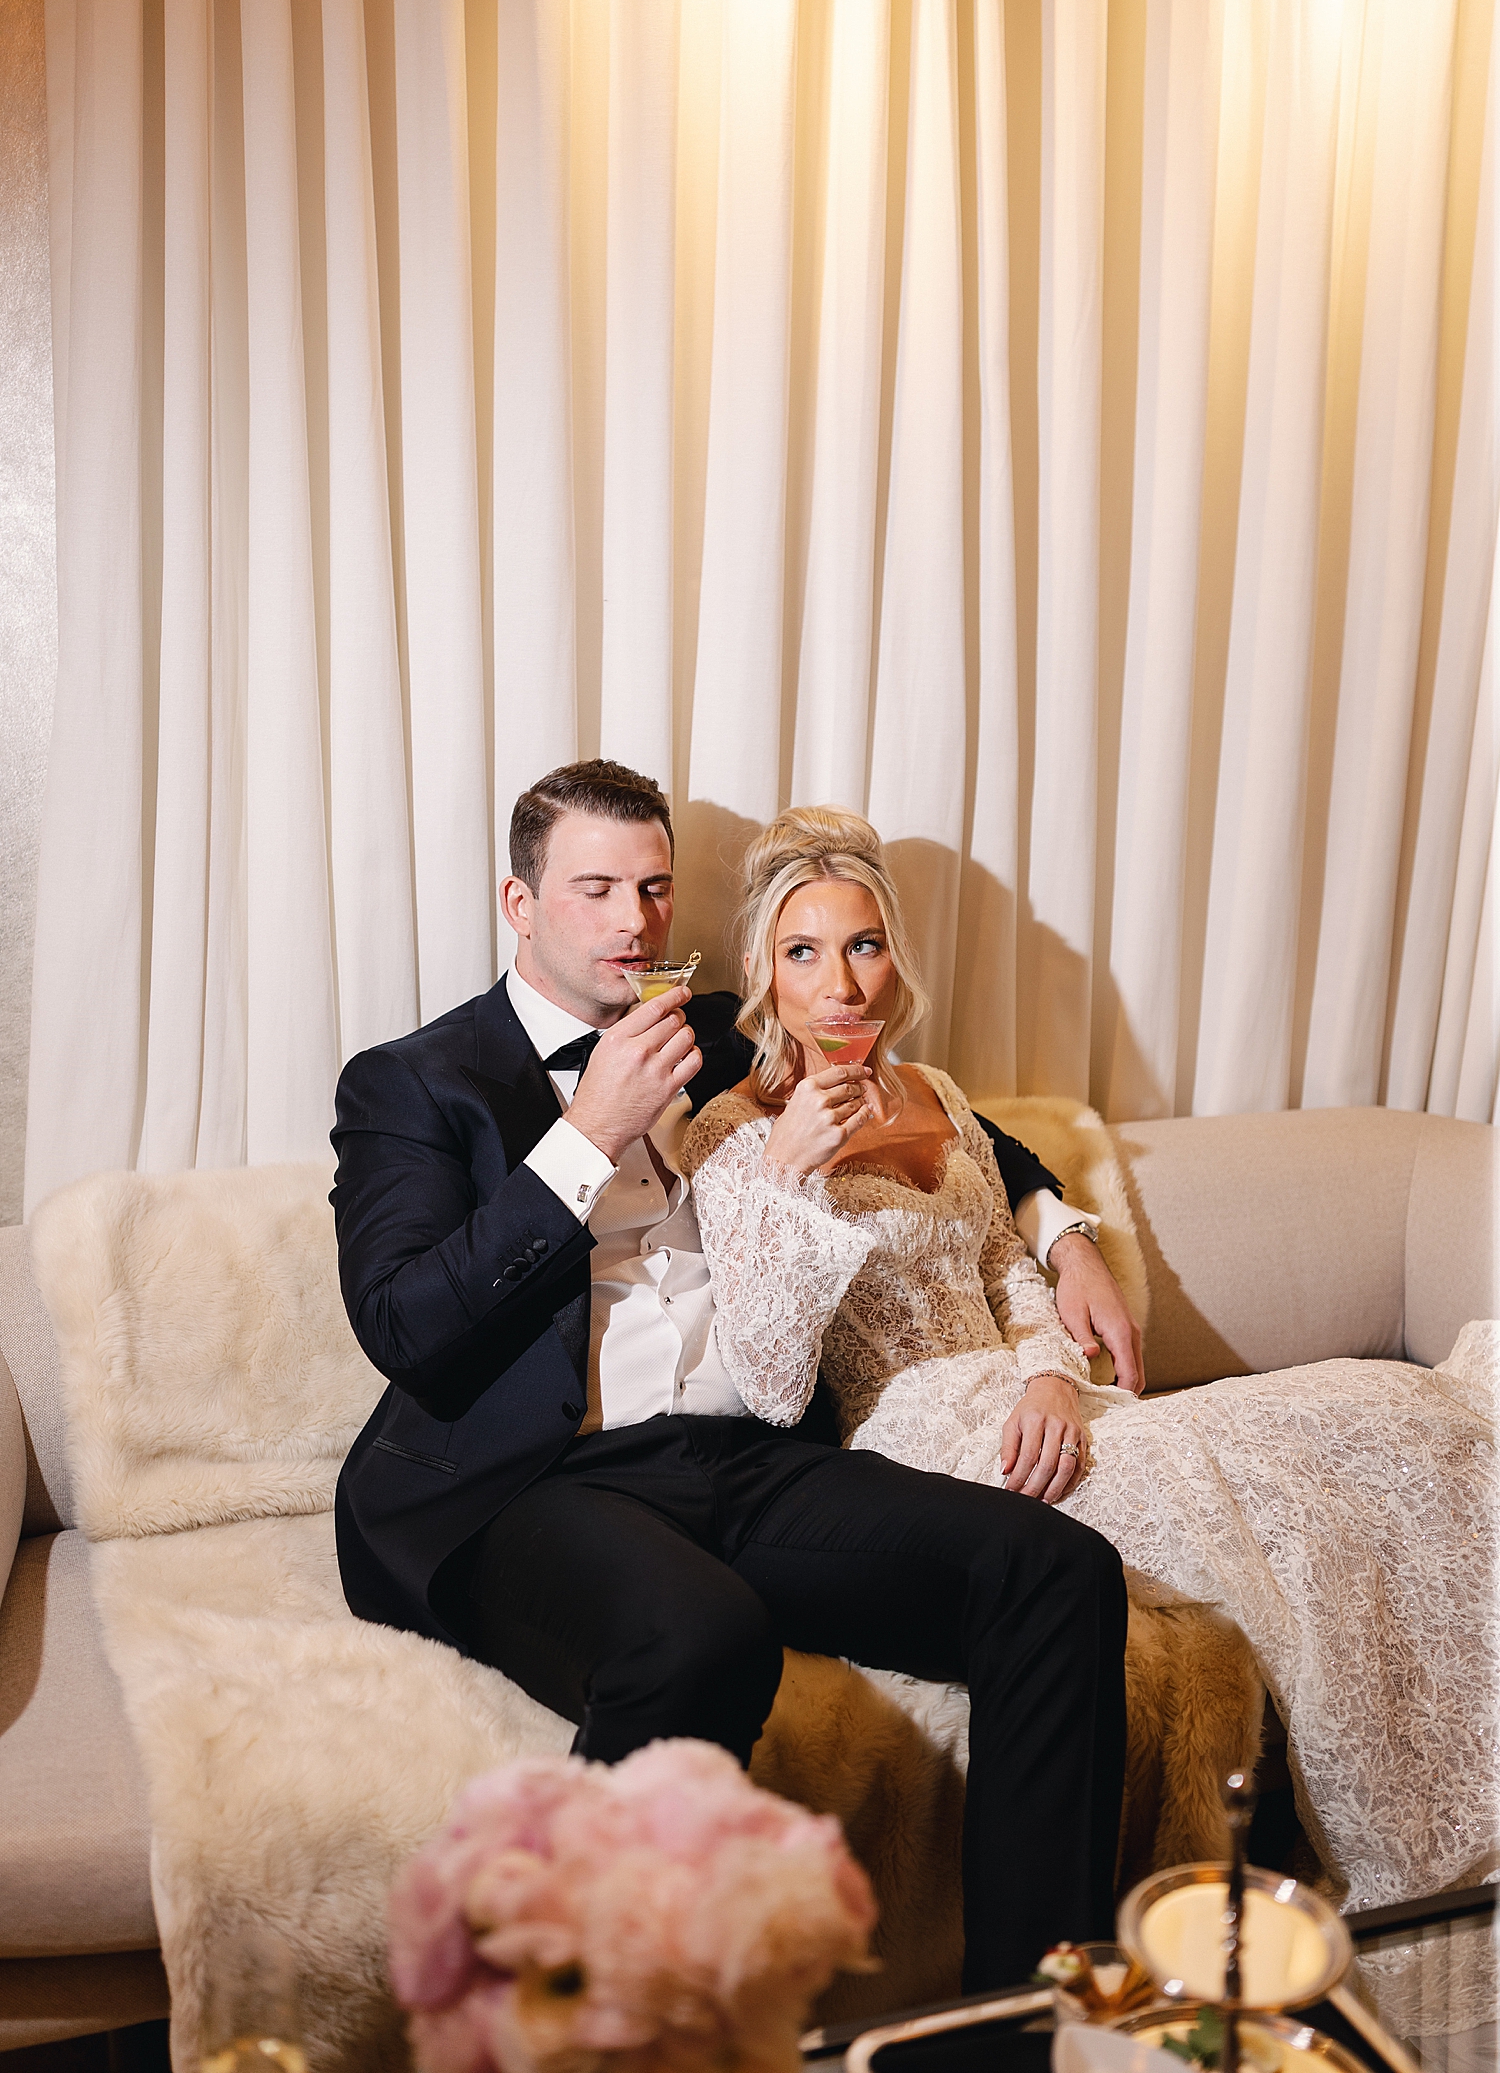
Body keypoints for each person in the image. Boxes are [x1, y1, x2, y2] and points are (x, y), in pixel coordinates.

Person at [329, 760, 1128, 1991]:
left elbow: (945, 1114)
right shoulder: (413, 1082)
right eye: (593, 888)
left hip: (742, 1454)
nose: (633, 923)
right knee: (705, 1636)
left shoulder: (713, 1035)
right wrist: (585, 1137)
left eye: (651, 889)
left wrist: (1059, 1223)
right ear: (519, 902)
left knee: (1055, 1570)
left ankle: (1023, 2019)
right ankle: (584, 2023)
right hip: (531, 1480)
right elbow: (405, 1327)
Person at [681, 806, 1497, 1918]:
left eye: (864, 944)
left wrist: (1055, 1372)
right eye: (804, 953)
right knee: (1256, 1505)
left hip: (1044, 1394)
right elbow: (771, 1387)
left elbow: (1009, 1268)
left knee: (1387, 1409)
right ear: (761, 976)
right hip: (925, 1441)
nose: (843, 985)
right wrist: (786, 1178)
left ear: (894, 957)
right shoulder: (727, 1137)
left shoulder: (939, 1099)